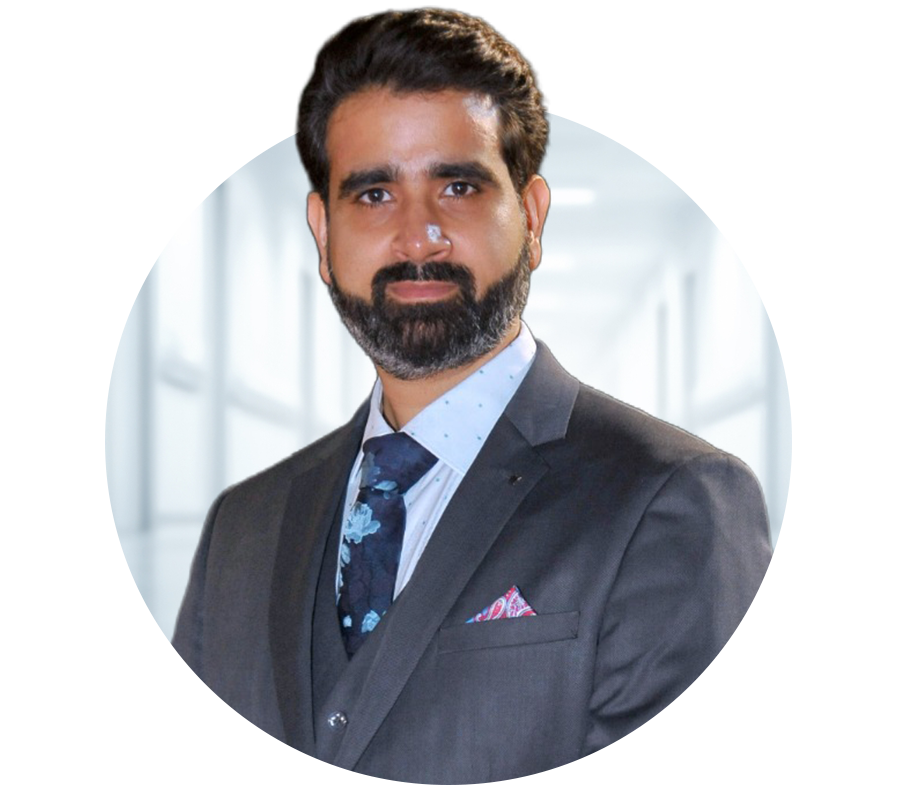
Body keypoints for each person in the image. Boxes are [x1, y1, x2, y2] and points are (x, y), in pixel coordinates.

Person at [142, 6, 787, 785]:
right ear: (323, 234)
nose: (418, 236)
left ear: (532, 218)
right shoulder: (244, 529)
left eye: (458, 186)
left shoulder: (672, 500)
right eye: (373, 195)